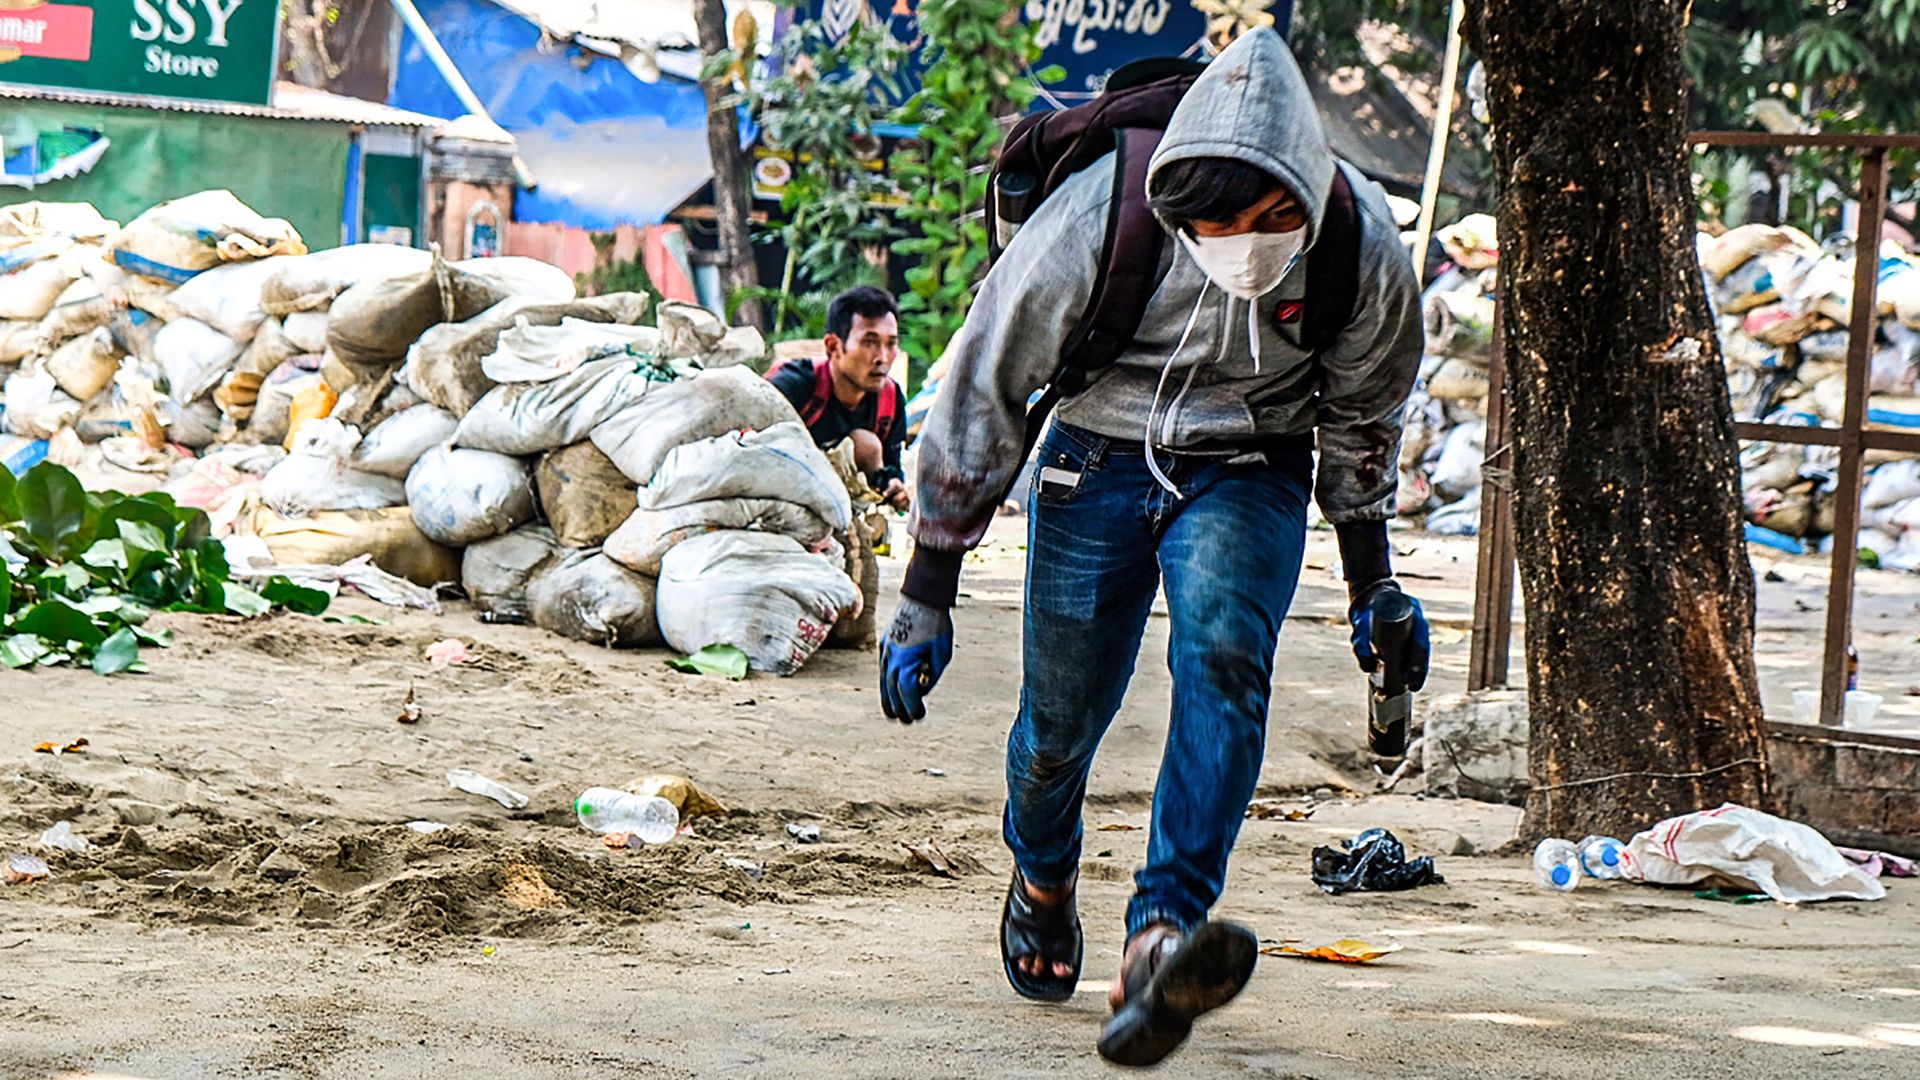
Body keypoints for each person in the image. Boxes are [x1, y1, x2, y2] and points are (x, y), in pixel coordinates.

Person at [876, 29, 1433, 1067]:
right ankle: (1041, 876)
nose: (1246, 241)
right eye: (1218, 221)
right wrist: (928, 583)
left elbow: (1363, 418)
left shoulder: (1363, 250)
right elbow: (984, 383)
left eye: (1274, 219)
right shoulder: (1102, 215)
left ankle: (1161, 936)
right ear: (1177, 203)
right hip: (1096, 452)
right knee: (1059, 720)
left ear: (1311, 195)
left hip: (1252, 460)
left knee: (1225, 658)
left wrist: (1376, 584)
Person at [769, 285, 912, 511]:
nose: (882, 357)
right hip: (783, 499)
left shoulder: (890, 401)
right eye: (869, 342)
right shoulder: (794, 386)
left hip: (844, 511)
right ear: (834, 346)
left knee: (867, 446)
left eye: (891, 343)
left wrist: (893, 486)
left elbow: (892, 466)